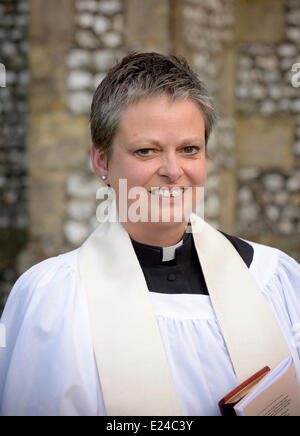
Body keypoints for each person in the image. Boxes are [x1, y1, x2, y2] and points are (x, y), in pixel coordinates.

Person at [0, 52, 300, 416]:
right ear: (101, 161)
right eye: (146, 151)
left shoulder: (274, 279)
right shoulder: (54, 302)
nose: (173, 171)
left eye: (189, 149)